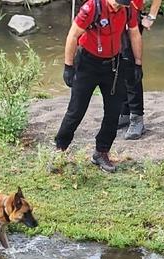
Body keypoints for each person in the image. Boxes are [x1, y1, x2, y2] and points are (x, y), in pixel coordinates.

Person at [55, 0, 143, 173]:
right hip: (88, 63)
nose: (120, 5)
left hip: (113, 65)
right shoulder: (92, 8)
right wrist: (68, 66)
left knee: (113, 111)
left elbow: (134, 33)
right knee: (76, 110)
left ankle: (101, 152)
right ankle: (60, 149)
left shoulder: (128, 9)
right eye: (118, 2)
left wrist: (138, 64)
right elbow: (73, 35)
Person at [116, 0, 162, 140]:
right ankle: (125, 111)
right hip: (110, 12)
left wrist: (151, 16)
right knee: (117, 64)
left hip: (131, 14)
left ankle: (137, 117)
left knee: (130, 64)